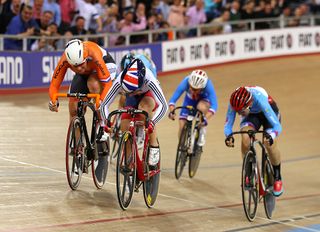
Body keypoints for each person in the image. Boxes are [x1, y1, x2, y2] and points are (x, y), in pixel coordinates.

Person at [100, 58, 168, 167]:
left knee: (144, 110)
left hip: (147, 94)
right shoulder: (120, 81)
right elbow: (104, 105)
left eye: (132, 91)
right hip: (132, 96)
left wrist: (152, 122)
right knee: (124, 123)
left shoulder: (149, 79)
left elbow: (164, 106)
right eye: (127, 91)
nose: (131, 93)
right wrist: (107, 121)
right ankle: (129, 160)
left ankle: (153, 145)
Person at [48, 39, 117, 140]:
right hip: (86, 73)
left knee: (93, 84)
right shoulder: (65, 60)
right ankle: (77, 143)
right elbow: (54, 85)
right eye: (75, 66)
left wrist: (101, 102)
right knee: (73, 107)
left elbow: (107, 84)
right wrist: (53, 100)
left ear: (85, 57)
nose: (79, 68)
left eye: (81, 64)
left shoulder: (93, 53)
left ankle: (101, 126)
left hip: (105, 65)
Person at [224, 86, 283, 197]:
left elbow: (277, 126)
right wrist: (228, 136)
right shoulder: (235, 101)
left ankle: (277, 177)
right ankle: (249, 171)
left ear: (249, 104)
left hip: (268, 111)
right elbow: (228, 125)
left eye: (241, 111)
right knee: (245, 138)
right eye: (237, 111)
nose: (238, 114)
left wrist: (271, 135)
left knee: (269, 144)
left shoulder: (260, 100)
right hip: (251, 115)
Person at [168, 69, 218, 148]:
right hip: (190, 100)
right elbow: (172, 100)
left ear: (202, 87)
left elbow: (214, 105)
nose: (192, 90)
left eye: (195, 89)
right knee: (181, 125)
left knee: (201, 107)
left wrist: (205, 120)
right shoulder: (186, 82)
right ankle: (182, 148)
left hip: (204, 100)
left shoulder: (208, 85)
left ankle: (201, 130)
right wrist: (172, 111)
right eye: (191, 87)